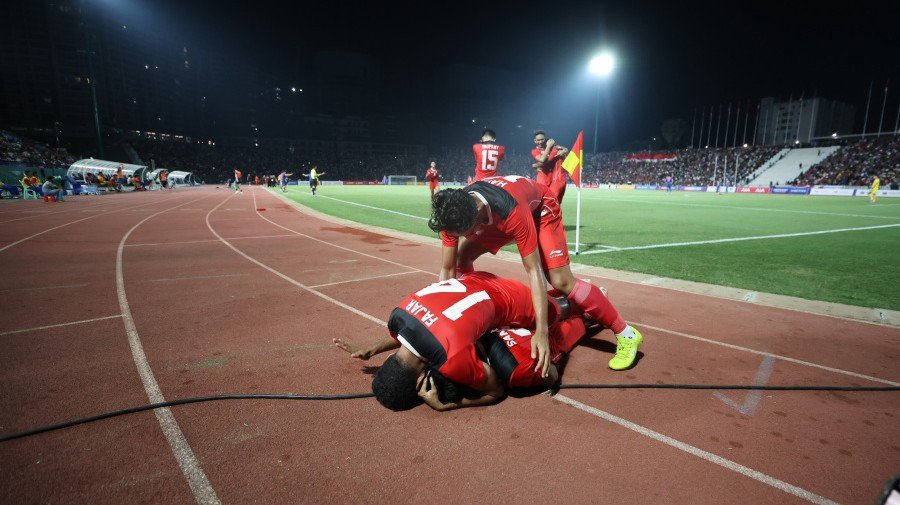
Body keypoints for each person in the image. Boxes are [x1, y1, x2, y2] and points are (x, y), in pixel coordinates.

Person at [429, 176, 643, 376]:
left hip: (539, 208)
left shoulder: (511, 211)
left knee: (560, 280)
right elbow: (447, 269)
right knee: (461, 259)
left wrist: (541, 332)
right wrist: (444, 320)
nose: (465, 237)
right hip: (494, 216)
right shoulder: (455, 211)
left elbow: (534, 270)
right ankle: (472, 314)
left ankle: (626, 333)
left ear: (476, 213)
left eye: (466, 233)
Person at [334, 271, 575, 411]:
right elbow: (424, 330)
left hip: (512, 300)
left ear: (421, 379)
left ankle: (585, 300)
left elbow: (496, 390)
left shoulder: (452, 360)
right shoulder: (397, 318)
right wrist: (374, 348)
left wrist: (448, 405)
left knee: (560, 311)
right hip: (475, 279)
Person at [531, 131, 569, 203]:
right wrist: (549, 147)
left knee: (553, 199)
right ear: (535, 141)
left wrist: (563, 150)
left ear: (545, 139)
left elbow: (565, 149)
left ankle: (553, 213)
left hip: (556, 176)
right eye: (538, 140)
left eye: (542, 139)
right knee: (541, 198)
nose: (540, 142)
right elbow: (542, 160)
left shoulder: (554, 147)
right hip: (544, 176)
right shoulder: (535, 151)